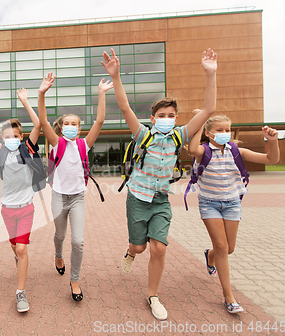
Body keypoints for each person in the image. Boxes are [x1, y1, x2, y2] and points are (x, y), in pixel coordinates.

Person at [101, 48, 218, 320]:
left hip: (161, 201)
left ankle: (153, 295)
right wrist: (116, 76)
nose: (168, 119)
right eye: (162, 115)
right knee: (139, 247)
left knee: (159, 248)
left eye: (172, 115)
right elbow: (124, 107)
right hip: (137, 200)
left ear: (176, 118)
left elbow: (209, 109)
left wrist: (210, 74)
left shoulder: (179, 136)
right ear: (153, 118)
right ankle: (131, 252)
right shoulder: (143, 134)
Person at [187, 111, 280, 313]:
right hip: (209, 203)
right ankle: (229, 297)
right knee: (222, 247)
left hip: (232, 203)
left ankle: (209, 255)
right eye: (219, 130)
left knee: (228, 249)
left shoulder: (236, 151)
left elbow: (271, 159)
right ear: (209, 133)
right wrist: (200, 121)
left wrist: (272, 141)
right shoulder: (203, 150)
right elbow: (192, 149)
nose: (225, 133)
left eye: (227, 130)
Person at [38, 72, 114, 301]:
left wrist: (101, 94)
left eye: (75, 124)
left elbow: (99, 121)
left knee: (78, 241)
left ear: (79, 129)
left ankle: (75, 279)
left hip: (78, 197)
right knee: (60, 235)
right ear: (61, 128)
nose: (70, 126)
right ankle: (58, 254)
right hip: (59, 197)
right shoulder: (56, 142)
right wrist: (42, 94)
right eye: (67, 124)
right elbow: (43, 121)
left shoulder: (84, 144)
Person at [0, 89, 43, 313]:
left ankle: (20, 293)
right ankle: (18, 257)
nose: (11, 140)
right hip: (7, 211)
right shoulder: (1, 152)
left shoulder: (27, 149)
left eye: (15, 136)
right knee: (15, 247)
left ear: (21, 137)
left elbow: (38, 125)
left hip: (26, 209)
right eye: (6, 137)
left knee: (23, 249)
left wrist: (25, 102)